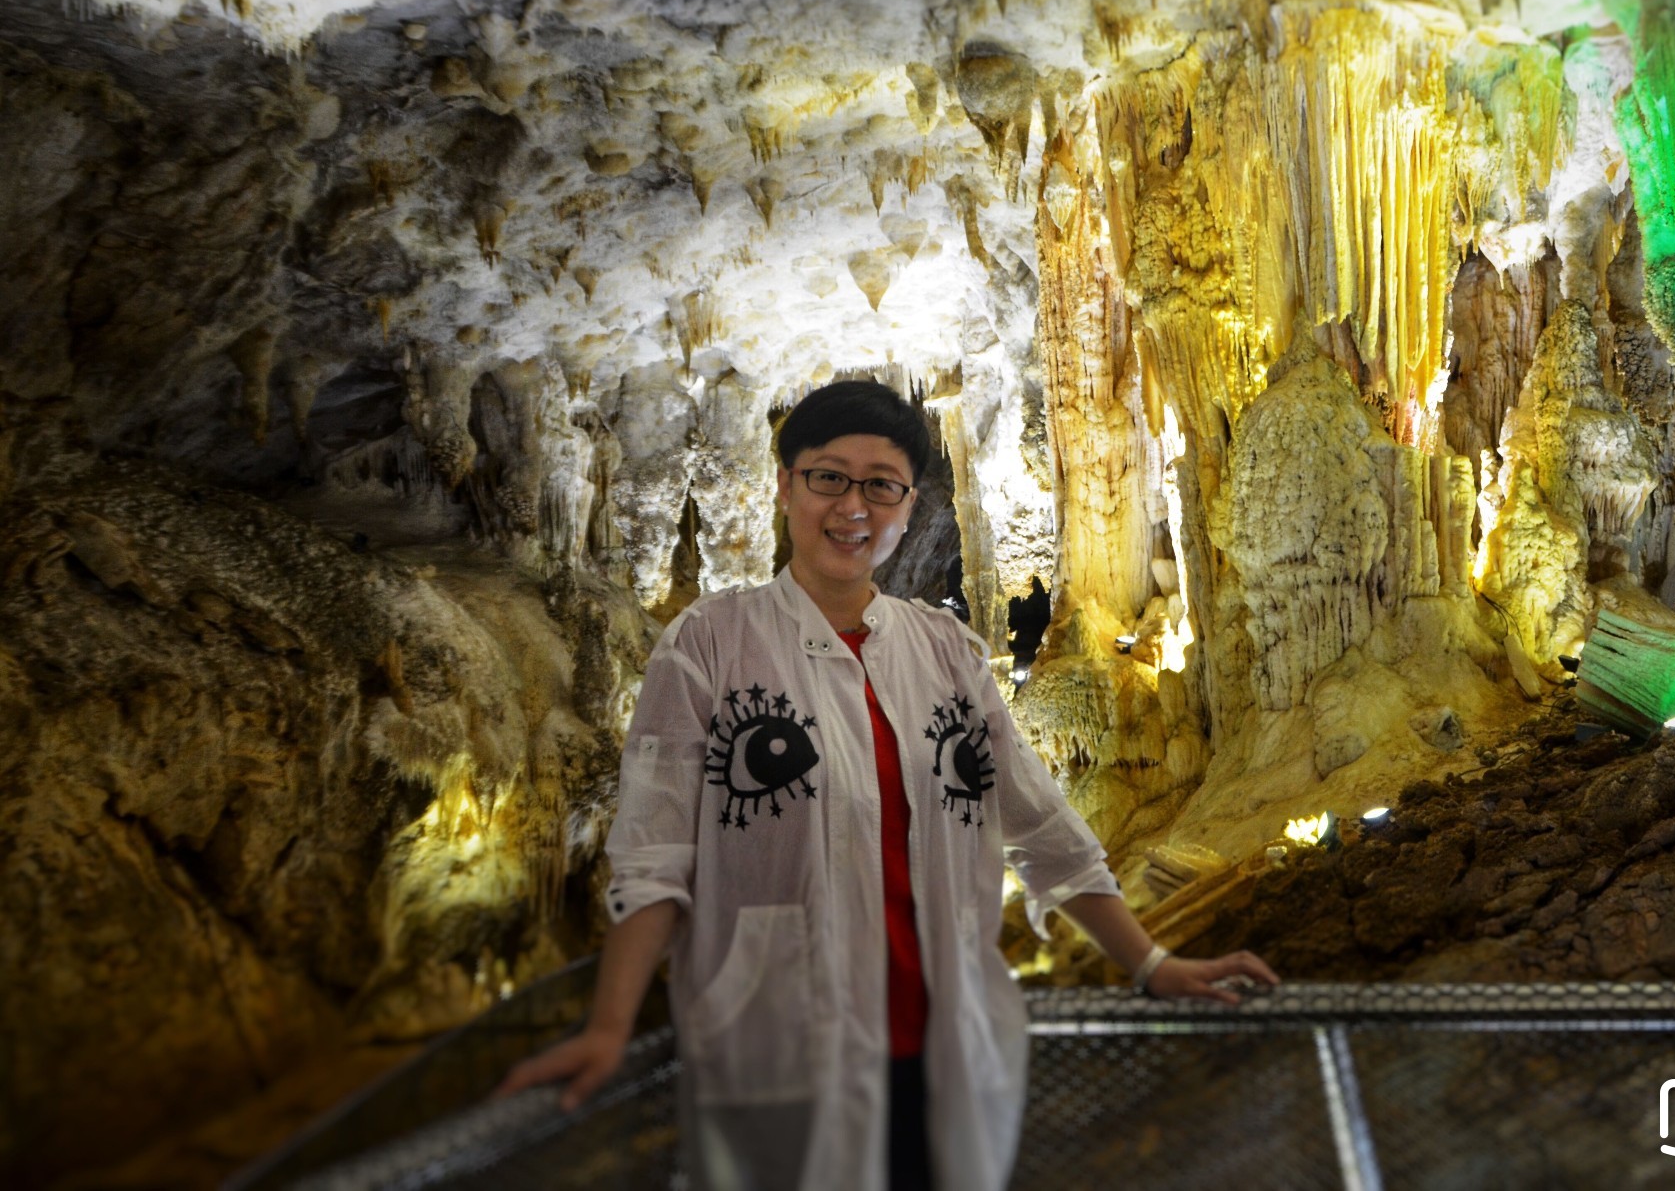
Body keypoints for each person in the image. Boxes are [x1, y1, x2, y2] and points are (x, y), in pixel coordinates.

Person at [497, 379, 1277, 1190]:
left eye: (881, 485)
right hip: (780, 1049)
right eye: (828, 476)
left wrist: (1151, 965)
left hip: (948, 1048)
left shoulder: (944, 651)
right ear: (785, 486)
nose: (852, 506)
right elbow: (656, 853)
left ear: (908, 505)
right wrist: (610, 1024)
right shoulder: (710, 645)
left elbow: (1041, 830)